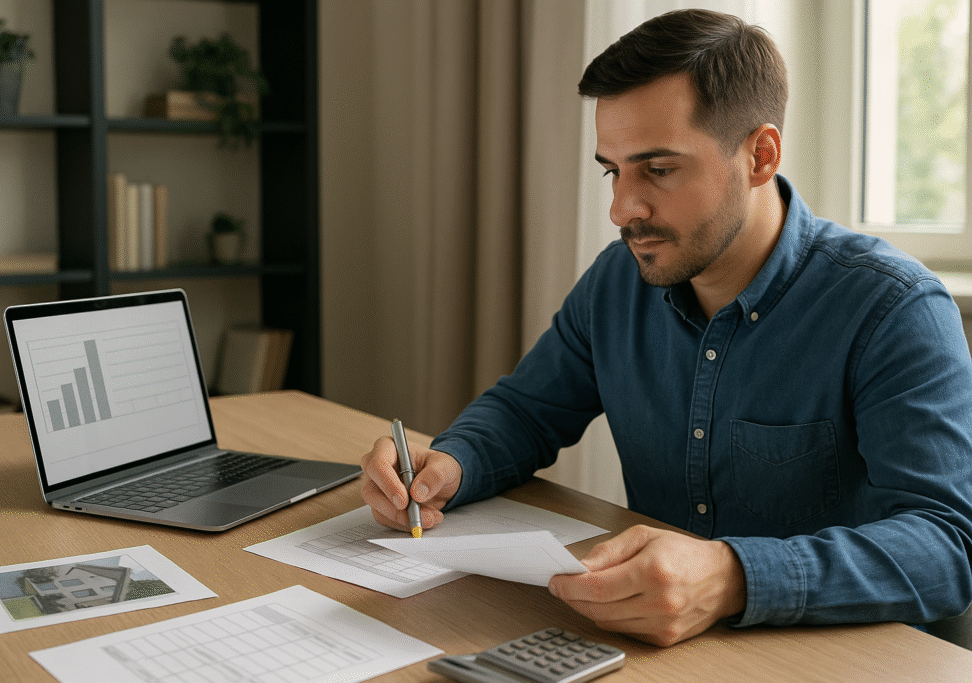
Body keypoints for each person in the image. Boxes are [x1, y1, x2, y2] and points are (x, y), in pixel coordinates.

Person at [360, 8, 972, 646]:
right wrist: (451, 465)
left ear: (760, 155)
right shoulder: (620, 280)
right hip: (660, 650)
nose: (622, 210)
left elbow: (947, 547)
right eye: (612, 170)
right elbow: (527, 411)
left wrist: (733, 575)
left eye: (658, 170)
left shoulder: (895, 309)